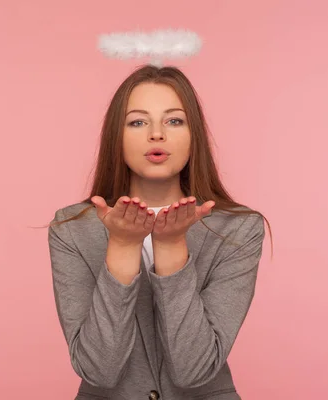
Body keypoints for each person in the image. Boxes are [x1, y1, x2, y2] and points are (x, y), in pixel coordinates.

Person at [48, 64, 271, 400]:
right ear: (116, 137)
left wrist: (171, 246)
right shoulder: (72, 229)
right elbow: (99, 371)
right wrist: (122, 245)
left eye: (174, 120)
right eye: (138, 121)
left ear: (193, 134)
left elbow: (193, 370)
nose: (156, 134)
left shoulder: (238, 229)